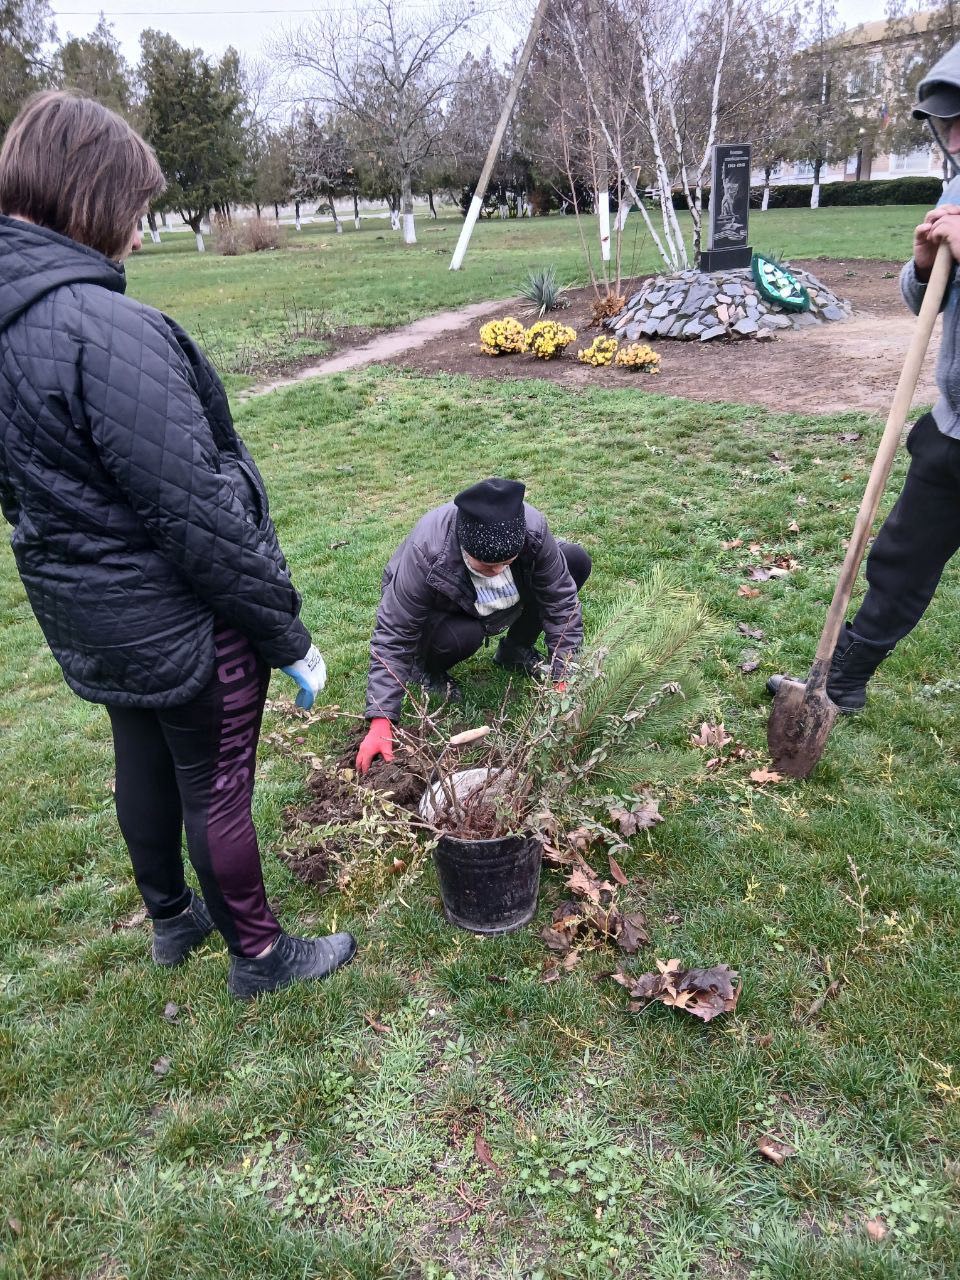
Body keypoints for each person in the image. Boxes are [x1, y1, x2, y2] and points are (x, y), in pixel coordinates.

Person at [0, 91, 355, 998]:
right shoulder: (109, 331)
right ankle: (262, 954)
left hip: (89, 615)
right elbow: (198, 513)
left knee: (142, 754)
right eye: (138, 209)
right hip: (180, 618)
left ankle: (171, 919)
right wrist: (285, 635)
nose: (142, 234)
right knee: (216, 780)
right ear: (88, 196)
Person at [769, 45, 960, 713]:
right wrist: (922, 262)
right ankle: (841, 679)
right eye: (950, 122)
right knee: (901, 557)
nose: (956, 137)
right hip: (953, 427)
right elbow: (925, 304)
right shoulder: (957, 192)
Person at [356, 477, 591, 773]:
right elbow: (394, 632)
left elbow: (561, 603)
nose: (497, 573)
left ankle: (515, 650)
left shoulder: (531, 528)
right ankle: (424, 668)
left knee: (574, 561)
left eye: (507, 562)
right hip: (446, 612)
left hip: (498, 604)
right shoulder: (428, 549)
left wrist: (563, 677)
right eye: (487, 567)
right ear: (465, 547)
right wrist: (381, 719)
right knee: (462, 636)